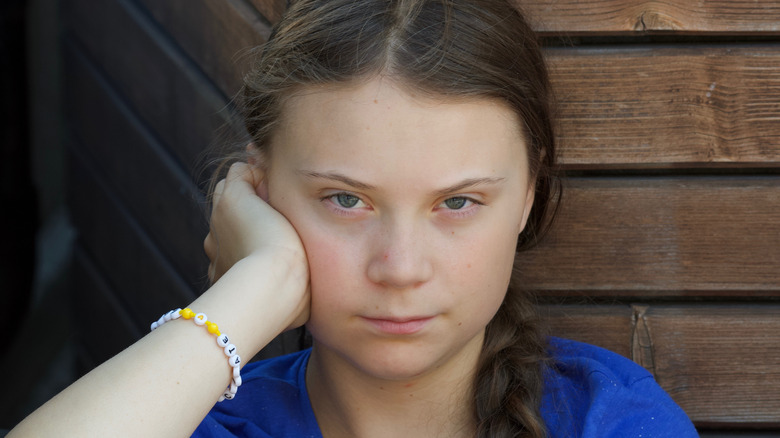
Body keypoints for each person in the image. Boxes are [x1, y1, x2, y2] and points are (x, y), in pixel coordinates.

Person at [10, 0, 699, 436]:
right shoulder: (196, 422)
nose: (400, 268)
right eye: (347, 200)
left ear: (527, 195)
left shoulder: (607, 421)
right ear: (261, 191)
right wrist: (257, 287)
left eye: (457, 203)